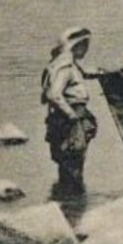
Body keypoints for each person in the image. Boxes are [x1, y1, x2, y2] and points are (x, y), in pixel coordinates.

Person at [41, 26, 96, 190]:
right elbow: (54, 94)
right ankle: (73, 205)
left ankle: (67, 203)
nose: (86, 50)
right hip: (70, 116)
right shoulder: (65, 68)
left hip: (62, 116)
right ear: (74, 46)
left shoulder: (61, 65)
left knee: (68, 161)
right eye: (84, 45)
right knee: (74, 161)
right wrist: (72, 115)